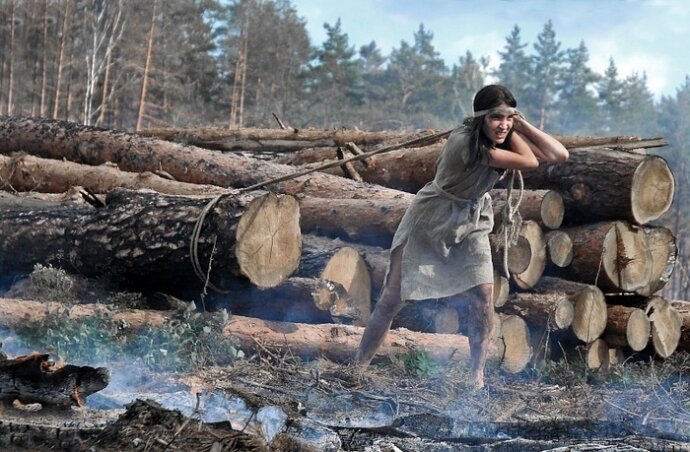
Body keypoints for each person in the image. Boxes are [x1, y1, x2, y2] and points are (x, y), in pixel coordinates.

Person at [354, 84, 569, 388]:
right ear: (481, 117)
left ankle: (476, 380)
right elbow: (532, 161)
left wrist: (518, 123)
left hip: (472, 220)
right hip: (432, 218)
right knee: (392, 298)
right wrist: (515, 126)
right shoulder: (467, 144)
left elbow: (559, 154)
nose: (503, 125)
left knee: (483, 297)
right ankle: (358, 367)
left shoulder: (499, 135)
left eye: (508, 118)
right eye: (496, 118)